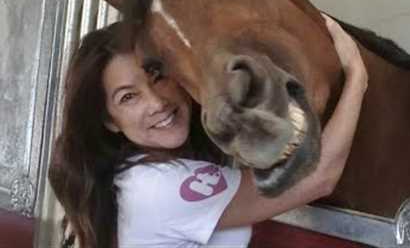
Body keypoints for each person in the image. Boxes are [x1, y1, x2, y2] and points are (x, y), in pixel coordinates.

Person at [49, 15, 368, 248]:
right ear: (110, 121)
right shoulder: (163, 187)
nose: (158, 102)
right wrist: (356, 76)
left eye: (157, 76)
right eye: (129, 97)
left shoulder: (129, 178)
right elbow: (318, 177)